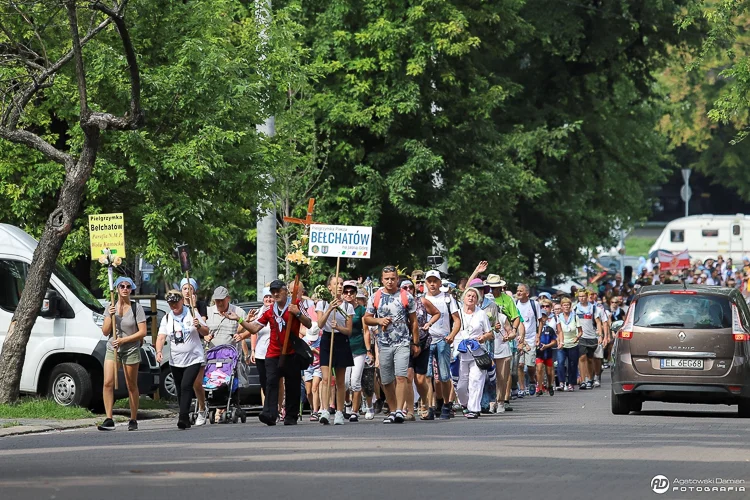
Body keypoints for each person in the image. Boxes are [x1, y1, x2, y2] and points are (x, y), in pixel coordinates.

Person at [234, 279, 313, 425]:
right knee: (270, 382)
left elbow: (308, 323)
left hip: (291, 352)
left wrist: (297, 313)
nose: (276, 294)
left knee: (292, 385)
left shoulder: (295, 304)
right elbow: (253, 328)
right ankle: (270, 413)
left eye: (278, 291)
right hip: (273, 352)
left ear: (285, 291)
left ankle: (291, 415)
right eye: (273, 291)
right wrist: (239, 320)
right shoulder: (270, 311)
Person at [364, 265, 419, 424]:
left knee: (401, 376)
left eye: (393, 279)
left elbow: (414, 322)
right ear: (382, 279)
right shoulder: (375, 297)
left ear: (397, 279)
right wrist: (378, 320)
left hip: (402, 342)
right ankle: (393, 410)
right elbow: (367, 319)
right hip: (384, 343)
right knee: (386, 380)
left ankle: (400, 411)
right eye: (387, 279)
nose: (390, 281)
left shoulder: (406, 296)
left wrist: (415, 343)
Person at [97, 277, 147, 432]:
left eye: (128, 286)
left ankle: (133, 419)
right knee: (108, 382)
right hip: (113, 348)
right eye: (121, 286)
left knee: (131, 384)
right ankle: (109, 418)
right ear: (117, 289)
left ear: (131, 289)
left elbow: (142, 332)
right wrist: (110, 316)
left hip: (130, 348)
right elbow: (105, 332)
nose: (125, 289)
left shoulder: (136, 308)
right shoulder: (110, 306)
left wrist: (124, 340)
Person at [155, 290, 209, 429]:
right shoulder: (167, 318)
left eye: (176, 302)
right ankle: (184, 413)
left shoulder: (191, 313)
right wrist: (159, 351)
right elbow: (161, 337)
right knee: (179, 389)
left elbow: (206, 331)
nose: (174, 306)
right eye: (171, 303)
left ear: (181, 301)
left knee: (186, 386)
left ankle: (183, 417)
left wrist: (198, 326)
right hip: (176, 360)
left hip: (194, 358)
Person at [202, 285, 250, 424]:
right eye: (217, 301)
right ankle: (216, 408)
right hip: (212, 356)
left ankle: (226, 408)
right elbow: (201, 330)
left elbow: (248, 329)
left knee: (230, 381)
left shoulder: (238, 311)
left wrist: (241, 336)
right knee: (212, 381)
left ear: (228, 299)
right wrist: (205, 336)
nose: (219, 303)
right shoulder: (208, 312)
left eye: (222, 300)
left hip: (231, 356)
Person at [316, 275, 354, 426]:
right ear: (329, 287)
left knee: (340, 380)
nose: (339, 286)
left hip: (341, 340)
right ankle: (324, 409)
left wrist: (338, 327)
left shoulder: (347, 306)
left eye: (340, 283)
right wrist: (329, 309)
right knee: (325, 379)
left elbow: (349, 330)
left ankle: (339, 411)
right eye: (335, 284)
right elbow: (320, 324)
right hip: (326, 339)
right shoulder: (322, 303)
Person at [401, 279, 440, 421]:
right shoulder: (398, 304)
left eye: (410, 287)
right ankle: (410, 410)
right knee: (408, 376)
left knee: (420, 379)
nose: (408, 289)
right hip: (404, 343)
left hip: (423, 343)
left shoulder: (422, 302)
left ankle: (425, 402)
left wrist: (429, 323)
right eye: (404, 287)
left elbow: (437, 313)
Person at [423, 270, 460, 420]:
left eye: (435, 281)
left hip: (443, 340)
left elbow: (457, 321)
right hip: (426, 339)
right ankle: (430, 406)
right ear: (426, 283)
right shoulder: (421, 299)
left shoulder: (447, 298)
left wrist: (451, 335)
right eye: (429, 281)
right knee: (427, 375)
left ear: (439, 283)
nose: (432, 284)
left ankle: (446, 403)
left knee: (444, 376)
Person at [455, 286, 493, 419]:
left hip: (477, 353)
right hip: (460, 353)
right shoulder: (457, 313)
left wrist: (483, 337)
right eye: (468, 295)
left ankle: (474, 409)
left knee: (476, 381)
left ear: (477, 300)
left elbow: (489, 332)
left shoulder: (481, 314)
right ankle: (464, 404)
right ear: (463, 298)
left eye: (474, 296)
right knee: (461, 386)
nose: (471, 298)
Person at [180, 277, 208, 422]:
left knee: (197, 382)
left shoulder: (200, 305)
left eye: (190, 289)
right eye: (185, 289)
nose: (187, 292)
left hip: (197, 345)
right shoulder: (178, 306)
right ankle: (184, 410)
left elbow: (202, 324)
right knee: (184, 383)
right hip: (182, 348)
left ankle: (202, 408)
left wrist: (193, 305)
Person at [343, 280, 367, 422]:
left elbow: (365, 330)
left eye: (351, 292)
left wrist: (369, 350)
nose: (348, 294)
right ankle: (347, 402)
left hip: (359, 349)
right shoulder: (340, 308)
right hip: (344, 349)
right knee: (344, 383)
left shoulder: (361, 310)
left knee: (355, 382)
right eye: (346, 292)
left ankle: (354, 411)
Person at [515, 283, 540, 396]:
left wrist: (538, 335)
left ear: (527, 293)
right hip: (519, 339)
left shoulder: (534, 304)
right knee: (520, 365)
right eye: (517, 291)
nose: (518, 293)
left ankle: (531, 380)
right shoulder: (515, 304)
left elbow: (540, 321)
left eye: (521, 291)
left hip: (531, 338)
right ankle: (521, 388)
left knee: (530, 365)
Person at [575, 290, 603, 390]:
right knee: (582, 358)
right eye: (580, 296)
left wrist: (600, 335)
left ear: (587, 297)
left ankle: (590, 379)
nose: (581, 298)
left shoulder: (593, 308)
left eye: (583, 296)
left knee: (590, 359)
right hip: (580, 336)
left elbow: (598, 322)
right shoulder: (575, 308)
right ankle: (583, 380)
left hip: (591, 336)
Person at [249, 288, 273, 402]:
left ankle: (277, 407)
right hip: (261, 352)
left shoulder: (278, 311)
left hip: (274, 352)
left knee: (274, 380)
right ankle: (266, 407)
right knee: (263, 381)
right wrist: (252, 350)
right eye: (266, 297)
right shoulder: (258, 312)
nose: (268, 299)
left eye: (270, 296)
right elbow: (253, 332)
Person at [491, 300, 515, 413]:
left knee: (501, 378)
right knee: (489, 379)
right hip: (488, 352)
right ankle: (491, 403)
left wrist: (509, 337)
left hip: (502, 351)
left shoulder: (502, 317)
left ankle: (500, 402)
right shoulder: (481, 316)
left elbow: (511, 332)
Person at [557, 298, 581, 392]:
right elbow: (558, 331)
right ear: (561, 306)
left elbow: (580, 331)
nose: (566, 307)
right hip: (563, 344)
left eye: (568, 305)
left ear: (570, 306)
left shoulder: (575, 317)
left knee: (572, 365)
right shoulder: (558, 317)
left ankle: (571, 383)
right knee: (560, 363)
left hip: (573, 344)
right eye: (564, 305)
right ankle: (561, 382)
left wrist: (577, 338)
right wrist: (560, 342)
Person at [535, 300, 558, 396]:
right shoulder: (535, 328)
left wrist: (547, 346)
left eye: (544, 317)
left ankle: (550, 385)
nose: (543, 319)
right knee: (539, 369)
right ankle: (539, 387)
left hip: (548, 352)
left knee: (549, 372)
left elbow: (554, 340)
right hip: (539, 352)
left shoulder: (550, 329)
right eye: (541, 317)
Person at [303, 327, 323, 421]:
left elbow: (324, 354)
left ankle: (315, 411)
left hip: (318, 366)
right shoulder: (304, 340)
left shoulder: (321, 340)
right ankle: (312, 406)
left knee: (315, 388)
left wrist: (315, 350)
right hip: (308, 367)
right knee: (308, 391)